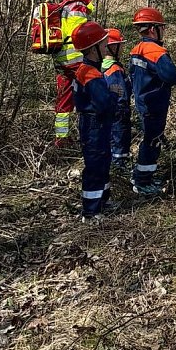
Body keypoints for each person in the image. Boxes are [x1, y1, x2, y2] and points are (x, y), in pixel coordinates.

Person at [129, 7, 176, 195]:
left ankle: (143, 176)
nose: (163, 31)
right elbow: (172, 76)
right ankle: (142, 181)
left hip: (143, 102)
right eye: (161, 28)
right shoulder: (156, 52)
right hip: (154, 104)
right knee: (152, 142)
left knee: (150, 140)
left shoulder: (136, 50)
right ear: (153, 29)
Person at [71, 21, 116, 223]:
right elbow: (104, 103)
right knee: (96, 165)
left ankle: (102, 201)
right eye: (104, 45)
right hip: (93, 125)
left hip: (97, 125)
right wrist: (115, 95)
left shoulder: (89, 71)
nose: (107, 49)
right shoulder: (89, 73)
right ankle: (90, 211)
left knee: (103, 161)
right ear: (92, 49)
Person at [52, 0, 97, 148]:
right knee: (94, 93)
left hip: (60, 61)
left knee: (64, 100)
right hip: (76, 59)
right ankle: (92, 133)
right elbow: (80, 33)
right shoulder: (77, 6)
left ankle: (61, 138)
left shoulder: (62, 5)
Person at [102, 27, 132, 171]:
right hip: (118, 112)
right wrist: (123, 108)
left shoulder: (99, 67)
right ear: (113, 46)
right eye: (121, 45)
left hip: (104, 112)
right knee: (119, 139)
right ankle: (118, 167)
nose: (122, 48)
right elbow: (119, 93)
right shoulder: (114, 70)